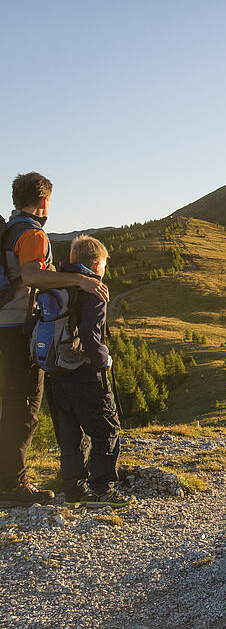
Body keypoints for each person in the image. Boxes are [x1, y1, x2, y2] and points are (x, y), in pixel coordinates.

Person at [0, 173, 108, 507]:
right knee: (25, 405)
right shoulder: (31, 233)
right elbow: (32, 275)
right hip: (16, 327)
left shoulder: (7, 230)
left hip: (4, 324)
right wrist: (80, 281)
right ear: (45, 199)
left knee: (11, 402)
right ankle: (11, 486)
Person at [49, 235, 127, 507]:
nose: (105, 269)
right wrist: (103, 360)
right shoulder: (94, 289)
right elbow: (90, 334)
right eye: (104, 263)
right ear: (96, 264)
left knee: (70, 434)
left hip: (57, 371)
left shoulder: (57, 282)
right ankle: (101, 490)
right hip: (85, 372)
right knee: (106, 430)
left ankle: (73, 490)